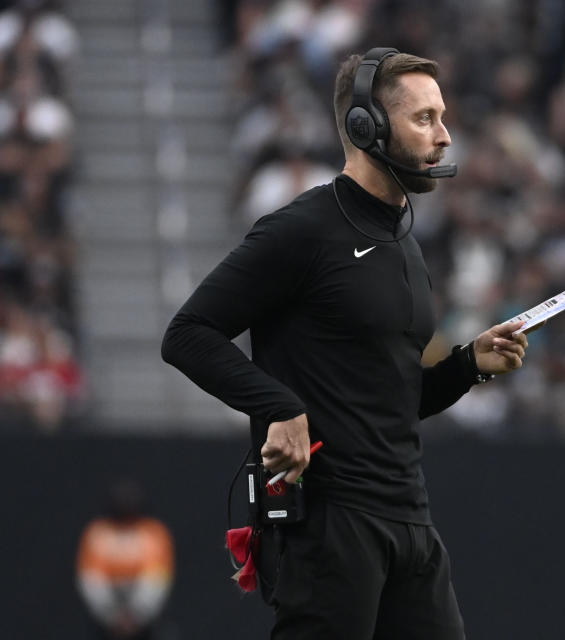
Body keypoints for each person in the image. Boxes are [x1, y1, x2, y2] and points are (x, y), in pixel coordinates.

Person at [161, 47, 529, 640]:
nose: (445, 135)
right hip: (331, 527)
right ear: (367, 127)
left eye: (442, 116)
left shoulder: (406, 240)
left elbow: (393, 396)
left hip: (410, 521)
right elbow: (186, 334)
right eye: (425, 118)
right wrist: (278, 407)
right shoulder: (301, 230)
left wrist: (468, 366)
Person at [75, 479, 175, 640]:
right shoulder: (98, 534)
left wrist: (138, 612)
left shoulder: (153, 533)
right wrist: (111, 613)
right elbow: (91, 579)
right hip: (105, 620)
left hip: (145, 620)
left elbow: (157, 578)